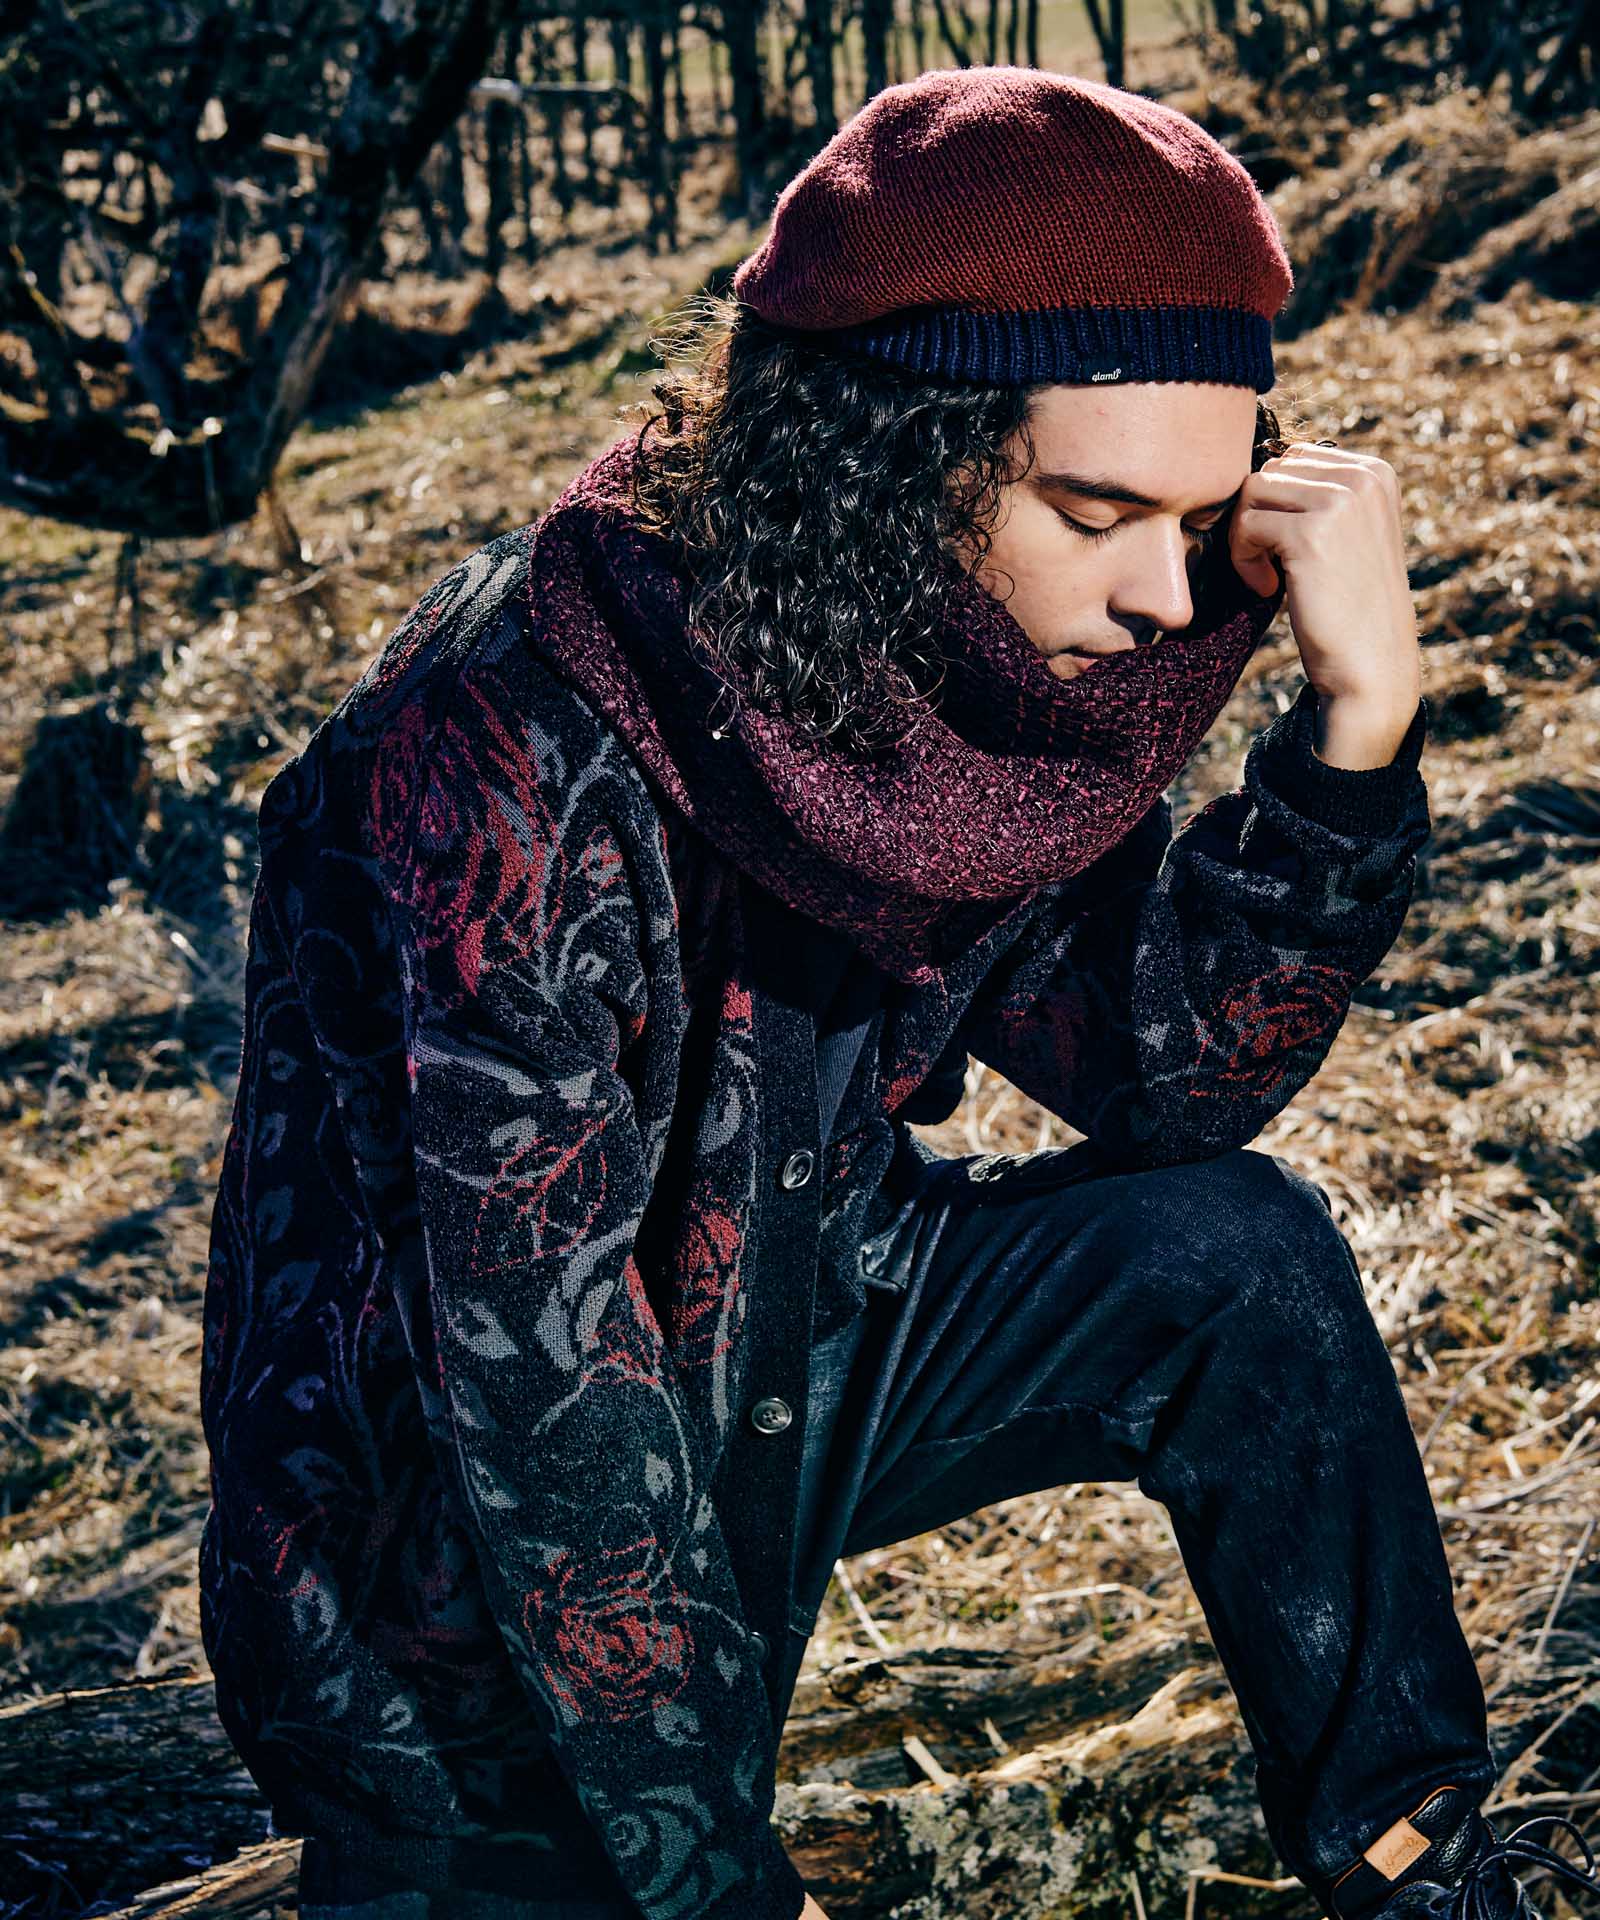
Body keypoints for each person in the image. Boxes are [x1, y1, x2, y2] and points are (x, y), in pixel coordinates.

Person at [198, 64, 1600, 1920]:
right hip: (453, 1550)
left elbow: (1167, 1081)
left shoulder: (957, 665)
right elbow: (534, 1378)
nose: (1167, 599)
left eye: (1200, 526)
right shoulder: (501, 747)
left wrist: (1357, 736)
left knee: (1234, 1260)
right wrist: (714, 1869)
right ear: (885, 457)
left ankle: (1428, 1871)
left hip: (800, 1328)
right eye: (1099, 511)